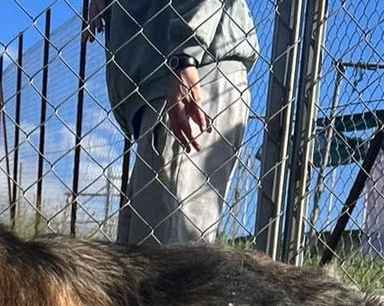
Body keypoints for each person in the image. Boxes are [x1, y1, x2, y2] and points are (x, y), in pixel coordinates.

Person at [87, 0, 258, 247]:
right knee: (141, 260)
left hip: (193, 72)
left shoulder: (185, 57)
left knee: (168, 263)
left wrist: (184, 56)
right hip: (166, 76)